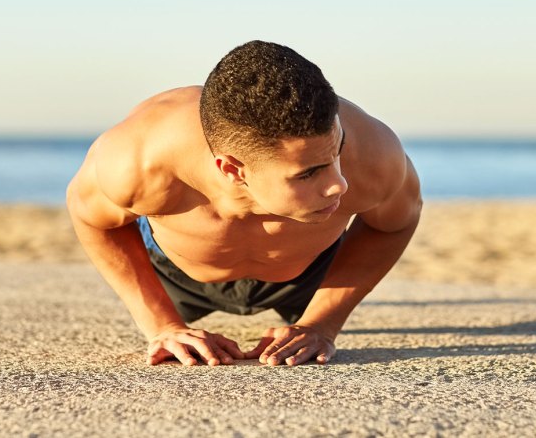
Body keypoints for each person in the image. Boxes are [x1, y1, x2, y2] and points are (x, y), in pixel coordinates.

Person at [67, 40, 422, 367]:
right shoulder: (139, 159)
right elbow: (92, 218)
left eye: (337, 153)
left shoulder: (375, 153)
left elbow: (395, 222)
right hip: (177, 274)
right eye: (307, 174)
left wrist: (322, 323)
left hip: (312, 272)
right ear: (233, 169)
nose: (338, 185)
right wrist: (161, 324)